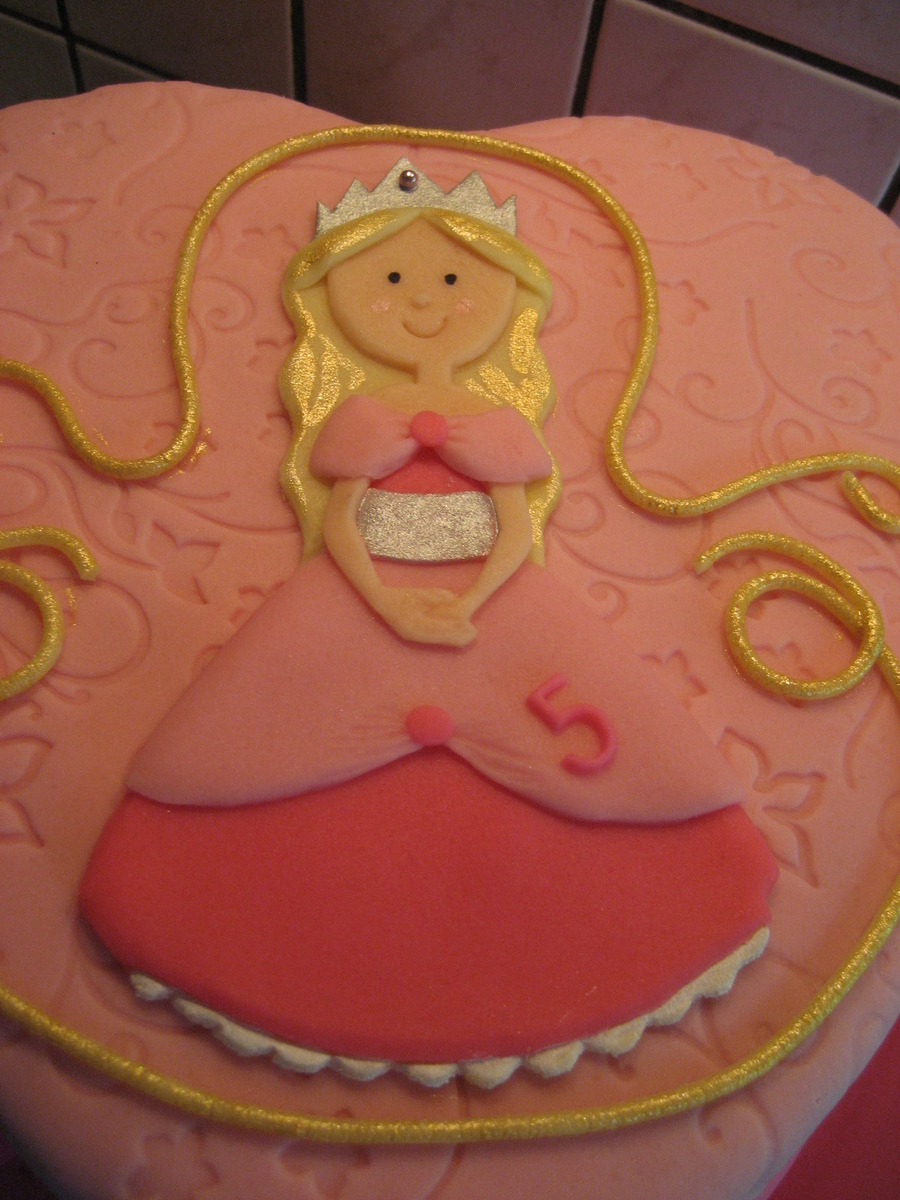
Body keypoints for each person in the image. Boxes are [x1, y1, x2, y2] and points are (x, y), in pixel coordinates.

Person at [79, 164, 777, 1087]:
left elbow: (514, 529)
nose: (422, 301)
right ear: (333, 297)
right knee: (261, 746)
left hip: (497, 600)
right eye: (393, 278)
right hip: (357, 596)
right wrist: (387, 604)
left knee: (600, 755)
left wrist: (477, 603)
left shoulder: (499, 422)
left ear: (507, 294)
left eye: (451, 279)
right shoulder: (358, 418)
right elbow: (342, 523)